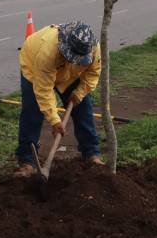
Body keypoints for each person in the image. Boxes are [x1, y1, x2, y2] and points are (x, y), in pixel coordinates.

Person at [15, 22, 103, 175]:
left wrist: (79, 93)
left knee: (83, 110)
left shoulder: (93, 49)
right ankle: (27, 161)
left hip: (70, 74)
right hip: (34, 68)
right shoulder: (48, 53)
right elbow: (44, 90)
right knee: (32, 113)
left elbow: (93, 73)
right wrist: (55, 121)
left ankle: (91, 153)